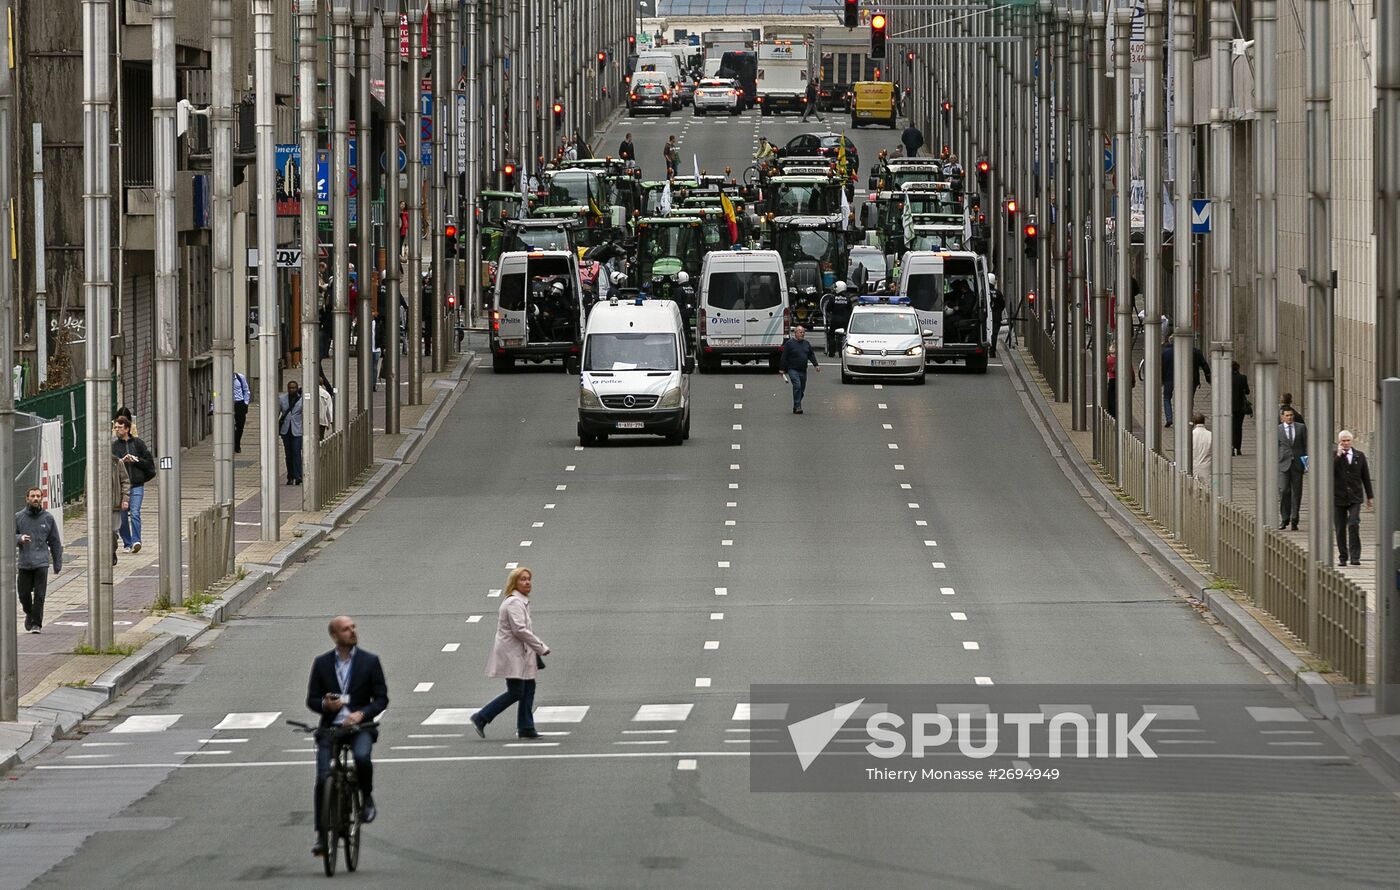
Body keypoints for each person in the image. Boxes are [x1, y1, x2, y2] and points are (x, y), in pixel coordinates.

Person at [306, 615, 388, 857]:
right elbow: (311, 699)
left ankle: (367, 797)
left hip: (359, 728)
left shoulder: (370, 662)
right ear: (334, 636)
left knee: (362, 757)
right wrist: (324, 705)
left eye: (353, 627)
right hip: (331, 728)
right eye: (345, 629)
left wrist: (362, 713)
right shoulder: (321, 664)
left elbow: (382, 699)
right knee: (322, 779)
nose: (352, 632)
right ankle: (322, 836)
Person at [471, 567, 551, 740]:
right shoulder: (514, 602)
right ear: (514, 583)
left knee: (529, 687)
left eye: (529, 579)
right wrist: (540, 647)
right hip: (513, 654)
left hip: (521, 653)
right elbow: (519, 630)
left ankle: (526, 727)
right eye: (522, 579)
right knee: (516, 691)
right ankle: (482, 717)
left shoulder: (521, 601)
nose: (527, 582)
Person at [15, 487, 62, 633]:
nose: (35, 499)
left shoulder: (48, 518)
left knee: (40, 595)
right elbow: (8, 535)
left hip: (41, 563)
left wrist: (57, 562)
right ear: (27, 498)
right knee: (23, 594)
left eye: (38, 496)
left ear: (41, 498)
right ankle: (29, 613)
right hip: (24, 562)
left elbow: (55, 541)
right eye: (33, 496)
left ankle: (37, 624)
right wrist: (19, 538)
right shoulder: (19, 517)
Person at [111, 416, 154, 553]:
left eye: (119, 427)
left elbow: (148, 462)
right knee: (123, 515)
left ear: (127, 429)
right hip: (122, 488)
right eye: (115, 427)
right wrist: (121, 461)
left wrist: (136, 460)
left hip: (136, 484)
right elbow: (111, 465)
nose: (117, 430)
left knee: (135, 512)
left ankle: (136, 540)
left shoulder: (138, 444)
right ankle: (127, 542)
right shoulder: (115, 447)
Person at [1333, 430, 1373, 566]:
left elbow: (1365, 477)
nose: (1345, 443)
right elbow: (1329, 472)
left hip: (1355, 496)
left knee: (1353, 523)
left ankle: (1355, 556)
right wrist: (1338, 455)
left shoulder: (1359, 456)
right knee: (1339, 528)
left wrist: (1370, 496)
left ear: (1352, 441)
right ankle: (1343, 557)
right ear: (1339, 442)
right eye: (1343, 441)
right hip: (1338, 496)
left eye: (1348, 440)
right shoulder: (1334, 455)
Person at [779, 325, 821, 414]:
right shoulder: (789, 344)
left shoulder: (806, 343)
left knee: (801, 389)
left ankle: (796, 404)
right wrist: (782, 369)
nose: (802, 334)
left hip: (803, 370)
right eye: (800, 332)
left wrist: (816, 365)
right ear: (795, 333)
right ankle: (798, 406)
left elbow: (811, 355)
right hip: (792, 369)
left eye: (803, 332)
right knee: (797, 386)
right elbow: (784, 357)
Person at [1277, 407, 1307, 531]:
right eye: (1287, 415)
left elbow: (1306, 446)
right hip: (1283, 463)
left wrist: (1306, 464)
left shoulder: (1301, 428)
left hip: (1297, 464)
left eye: (1291, 415)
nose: (1289, 417)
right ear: (1282, 417)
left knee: (1297, 492)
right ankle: (1284, 518)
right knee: (1284, 490)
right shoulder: (1278, 430)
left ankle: (1295, 519)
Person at [278, 379, 305, 486]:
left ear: (297, 388)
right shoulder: (282, 399)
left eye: (293, 388)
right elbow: (278, 412)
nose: (291, 389)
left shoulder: (301, 400)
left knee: (296, 453)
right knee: (288, 454)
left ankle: (298, 476)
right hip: (286, 431)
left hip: (297, 430)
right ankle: (290, 476)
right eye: (289, 388)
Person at [109, 452, 130, 569]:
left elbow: (125, 481)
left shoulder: (117, 462)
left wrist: (125, 498)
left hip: (114, 504)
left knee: (112, 532)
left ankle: (112, 551)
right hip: (98, 505)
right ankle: (102, 555)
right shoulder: (92, 462)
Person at [1229, 360, 1251, 456]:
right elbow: (1247, 391)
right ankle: (1238, 448)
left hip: (1228, 407)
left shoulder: (1226, 378)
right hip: (1240, 407)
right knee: (1238, 428)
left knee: (1230, 427)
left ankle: (1231, 447)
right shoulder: (1243, 378)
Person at [1189, 412, 1212, 482]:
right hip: (1207, 467)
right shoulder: (1210, 435)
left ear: (1194, 422)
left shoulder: (1190, 435)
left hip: (1193, 467)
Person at [232, 370, 251, 453]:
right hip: (227, 404)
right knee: (228, 425)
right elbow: (216, 393)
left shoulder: (240, 377)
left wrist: (245, 403)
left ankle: (237, 443)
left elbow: (246, 390)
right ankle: (230, 444)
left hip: (239, 403)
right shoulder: (222, 379)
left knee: (240, 426)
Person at [988, 273, 1005, 358]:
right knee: (994, 334)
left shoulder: (984, 292)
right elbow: (1002, 305)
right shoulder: (998, 293)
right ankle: (992, 350)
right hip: (996, 317)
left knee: (986, 332)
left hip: (986, 316)